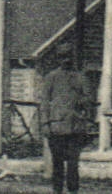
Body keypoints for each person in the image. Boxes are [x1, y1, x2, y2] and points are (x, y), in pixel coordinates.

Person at [36, 43, 93, 194]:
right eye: (62, 57)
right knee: (57, 162)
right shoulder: (51, 77)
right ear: (58, 59)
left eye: (68, 57)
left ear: (73, 58)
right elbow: (44, 102)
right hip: (56, 127)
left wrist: (80, 101)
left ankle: (73, 190)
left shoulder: (80, 77)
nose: (65, 60)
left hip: (75, 127)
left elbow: (89, 99)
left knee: (73, 163)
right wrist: (45, 124)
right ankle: (57, 190)